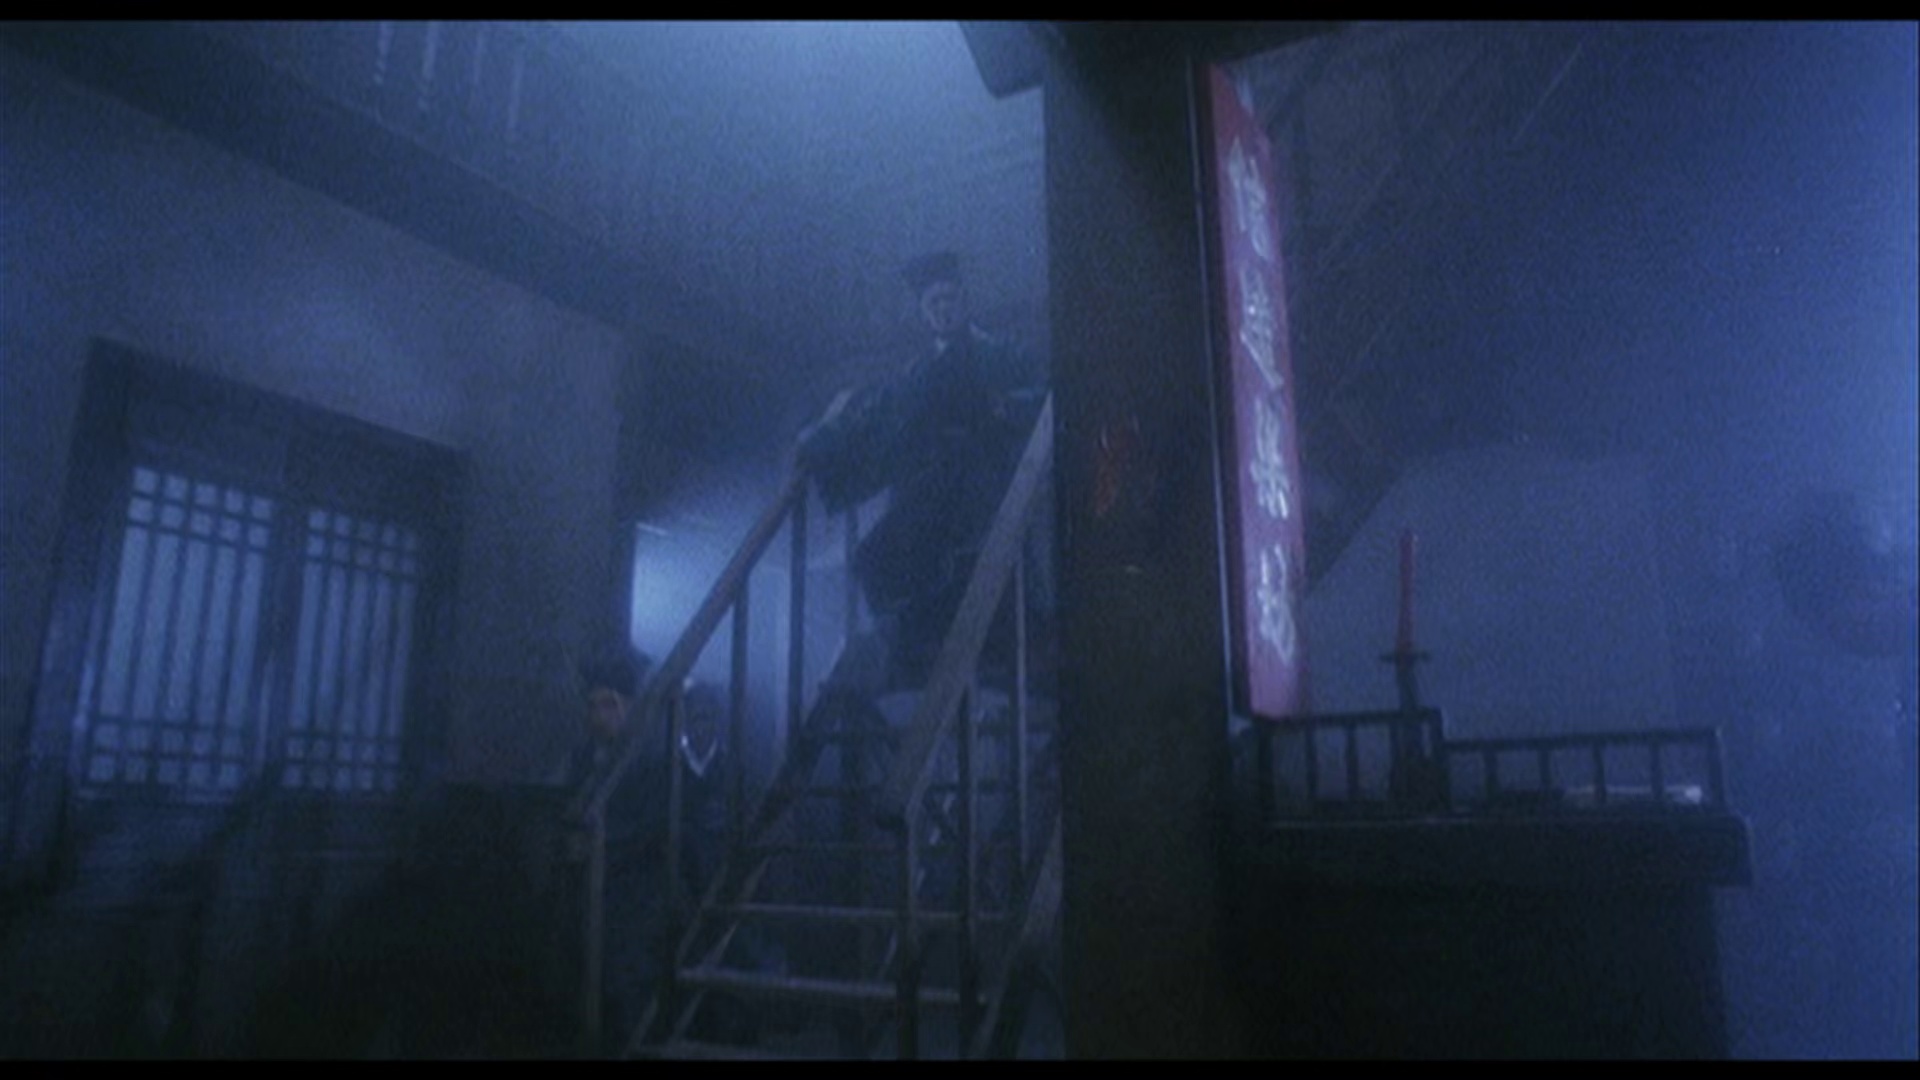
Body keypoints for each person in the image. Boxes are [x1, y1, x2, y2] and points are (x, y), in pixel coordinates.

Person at [795, 250, 1047, 690]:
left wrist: (1002, 408)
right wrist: (819, 442)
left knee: (971, 564)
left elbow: (1043, 390)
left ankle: (961, 652)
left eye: (950, 299)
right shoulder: (917, 374)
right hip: (932, 489)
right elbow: (877, 417)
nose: (943, 310)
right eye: (934, 304)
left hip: (986, 485)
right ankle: (914, 655)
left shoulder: (1001, 354)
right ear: (924, 314)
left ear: (964, 300)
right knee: (875, 560)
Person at [560, 644, 670, 1058]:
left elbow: (650, 826)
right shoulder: (582, 757)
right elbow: (571, 808)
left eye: (608, 704)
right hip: (588, 889)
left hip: (634, 894)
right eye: (592, 705)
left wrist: (599, 842)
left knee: (625, 983)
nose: (598, 714)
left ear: (626, 707)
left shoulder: (650, 760)